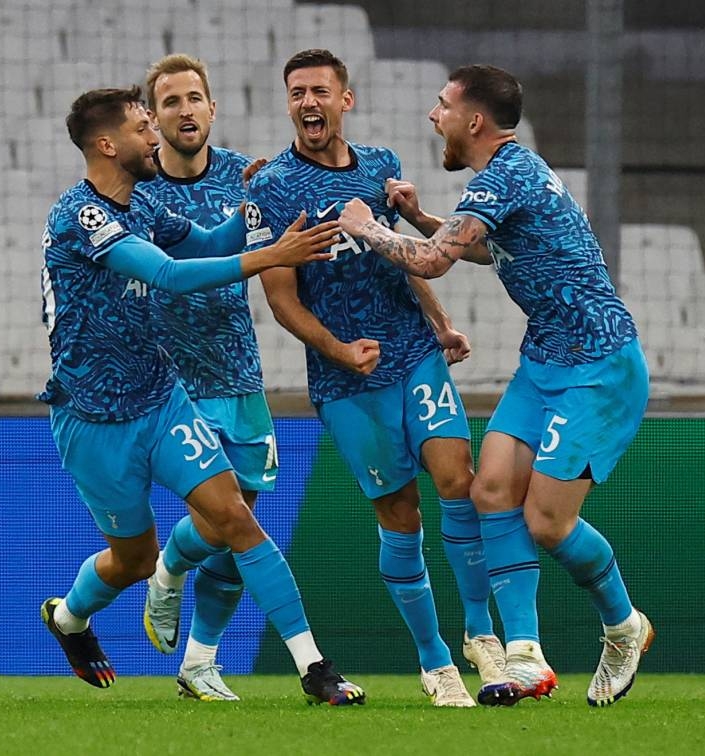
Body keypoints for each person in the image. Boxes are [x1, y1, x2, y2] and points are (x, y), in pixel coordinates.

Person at [337, 63, 654, 708]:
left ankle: (624, 626)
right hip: (546, 360)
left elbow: (434, 265)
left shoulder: (505, 175)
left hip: (598, 364)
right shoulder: (510, 174)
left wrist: (365, 226)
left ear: (473, 120)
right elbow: (481, 248)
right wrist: (422, 215)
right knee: (489, 492)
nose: (434, 116)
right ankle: (527, 656)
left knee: (544, 520)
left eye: (442, 105)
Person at [38, 85, 365, 706]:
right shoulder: (81, 216)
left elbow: (211, 245)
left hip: (161, 400)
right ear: (107, 145)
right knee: (132, 561)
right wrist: (271, 255)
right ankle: (68, 617)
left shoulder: (143, 207)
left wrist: (256, 209)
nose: (153, 135)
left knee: (236, 519)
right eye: (141, 127)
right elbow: (168, 274)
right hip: (92, 416)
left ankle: (314, 666)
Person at [245, 49, 505, 708]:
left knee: (459, 481)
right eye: (298, 92)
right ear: (289, 104)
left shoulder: (383, 167)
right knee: (401, 516)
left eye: (321, 91)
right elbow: (280, 297)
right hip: (347, 381)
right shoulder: (272, 186)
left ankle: (482, 638)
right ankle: (435, 661)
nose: (309, 103)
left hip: (413, 352)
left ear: (345, 101)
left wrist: (441, 323)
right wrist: (336, 349)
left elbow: (405, 258)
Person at [135, 53, 273, 703]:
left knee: (238, 526)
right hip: (173, 381)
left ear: (212, 109)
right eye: (171, 102)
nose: (185, 109)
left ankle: (199, 662)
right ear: (153, 117)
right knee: (224, 518)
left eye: (195, 98)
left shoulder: (245, 175)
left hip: (240, 372)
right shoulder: (137, 193)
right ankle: (166, 572)